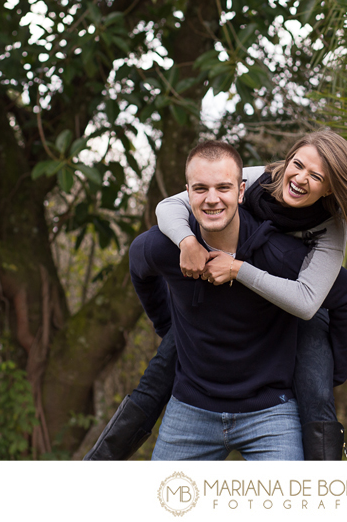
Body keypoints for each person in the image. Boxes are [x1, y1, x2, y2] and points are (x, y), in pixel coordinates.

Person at [83, 129, 347, 460]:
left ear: (329, 187)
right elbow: (169, 206)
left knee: (316, 391)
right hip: (223, 289)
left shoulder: (331, 226)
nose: (300, 178)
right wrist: (187, 242)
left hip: (298, 295)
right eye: (297, 165)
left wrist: (238, 268)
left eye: (317, 176)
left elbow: (311, 299)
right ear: (287, 160)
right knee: (160, 372)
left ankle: (319, 492)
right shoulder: (254, 180)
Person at [128, 140, 316, 460]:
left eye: (223, 188)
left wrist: (331, 374)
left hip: (271, 412)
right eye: (200, 189)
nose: (212, 199)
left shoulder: (281, 254)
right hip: (190, 410)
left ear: (241, 192)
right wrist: (167, 325)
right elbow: (138, 266)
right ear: (187, 193)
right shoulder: (164, 246)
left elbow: (345, 294)